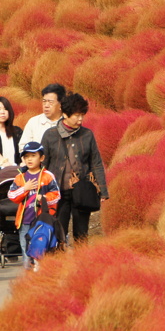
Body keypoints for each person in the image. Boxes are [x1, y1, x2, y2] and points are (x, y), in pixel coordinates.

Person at [41, 92, 109, 244]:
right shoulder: (50, 135)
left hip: (82, 191)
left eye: (82, 115)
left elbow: (96, 162)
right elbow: (43, 165)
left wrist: (103, 191)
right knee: (58, 232)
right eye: (77, 115)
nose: (80, 119)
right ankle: (57, 264)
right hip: (57, 192)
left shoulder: (87, 135)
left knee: (81, 234)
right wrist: (40, 190)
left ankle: (81, 263)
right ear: (65, 114)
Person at [7, 141, 60, 271]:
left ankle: (40, 273)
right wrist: (25, 188)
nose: (29, 159)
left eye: (33, 155)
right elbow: (12, 195)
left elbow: (57, 195)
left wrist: (44, 198)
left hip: (42, 221)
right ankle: (28, 274)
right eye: (26, 156)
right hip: (25, 220)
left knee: (41, 248)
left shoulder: (48, 176)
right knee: (26, 249)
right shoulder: (20, 177)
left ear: (41, 158)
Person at [21, 83, 66, 147]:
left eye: (50, 102)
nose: (46, 105)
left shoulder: (68, 122)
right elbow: (23, 146)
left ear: (60, 104)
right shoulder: (33, 122)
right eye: (44, 101)